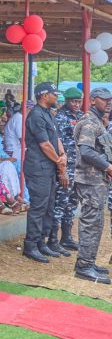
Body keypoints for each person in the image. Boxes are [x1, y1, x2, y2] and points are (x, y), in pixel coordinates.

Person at [22, 83, 68, 264]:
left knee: (49, 206)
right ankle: (31, 245)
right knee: (39, 207)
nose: (56, 97)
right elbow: (45, 144)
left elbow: (55, 138)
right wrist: (59, 161)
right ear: (44, 95)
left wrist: (62, 154)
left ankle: (41, 241)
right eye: (54, 94)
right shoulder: (36, 115)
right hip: (38, 167)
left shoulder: (48, 113)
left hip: (48, 167)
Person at [72, 87, 112, 283]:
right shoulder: (89, 122)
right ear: (93, 100)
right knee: (91, 223)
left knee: (96, 222)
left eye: (109, 100)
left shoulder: (97, 120)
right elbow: (86, 151)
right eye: (104, 99)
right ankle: (84, 267)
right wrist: (108, 166)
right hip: (90, 180)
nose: (108, 103)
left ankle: (88, 262)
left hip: (96, 180)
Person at [51, 87, 84, 253]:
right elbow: (57, 145)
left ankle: (66, 237)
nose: (76, 104)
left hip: (79, 167)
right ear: (67, 101)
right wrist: (61, 170)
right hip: (66, 167)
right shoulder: (60, 117)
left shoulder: (82, 116)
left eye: (79, 101)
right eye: (73, 101)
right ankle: (52, 240)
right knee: (60, 203)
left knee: (72, 203)